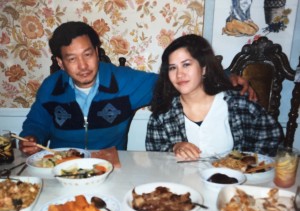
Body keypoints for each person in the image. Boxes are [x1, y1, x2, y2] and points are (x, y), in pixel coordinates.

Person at [19, 21, 255, 155]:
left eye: (88, 54)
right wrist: (31, 137)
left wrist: (224, 76)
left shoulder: (123, 82)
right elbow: (36, 123)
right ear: (60, 63)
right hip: (61, 165)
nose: (83, 66)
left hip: (109, 167)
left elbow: (173, 80)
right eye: (72, 59)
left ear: (97, 52)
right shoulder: (51, 87)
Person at [145, 34, 282, 160]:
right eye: (172, 68)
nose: (179, 74)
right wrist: (173, 148)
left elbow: (271, 135)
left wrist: (247, 165)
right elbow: (155, 158)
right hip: (184, 184)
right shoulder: (162, 116)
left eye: (186, 64)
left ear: (204, 68)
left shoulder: (237, 104)